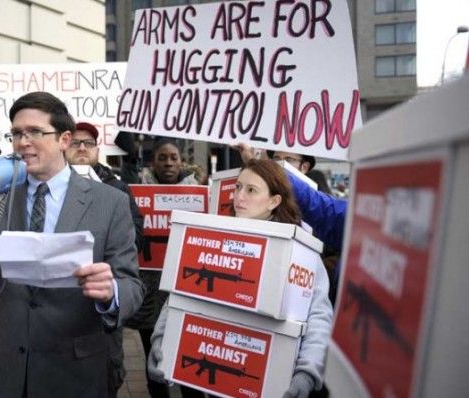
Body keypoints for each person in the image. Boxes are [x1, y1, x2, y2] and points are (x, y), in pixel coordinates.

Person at [0, 92, 144, 398]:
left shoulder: (111, 203)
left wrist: (111, 293)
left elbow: (132, 286)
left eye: (34, 132)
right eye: (16, 133)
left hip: (73, 372)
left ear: (64, 140)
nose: (22, 142)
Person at [147, 159, 333, 398]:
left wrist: (308, 372)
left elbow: (318, 315)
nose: (239, 196)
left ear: (274, 201)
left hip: (273, 381)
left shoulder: (300, 251)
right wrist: (161, 340)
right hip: (220, 380)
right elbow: (180, 294)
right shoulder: (213, 235)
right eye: (237, 187)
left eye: (251, 190)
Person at [65, 121, 145, 397]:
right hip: (61, 306)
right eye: (76, 143)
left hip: (101, 307)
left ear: (98, 149)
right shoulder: (49, 187)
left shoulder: (118, 189)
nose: (82, 148)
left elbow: (137, 240)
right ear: (64, 146)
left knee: (105, 378)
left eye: (88, 143)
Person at [131, 138, 204, 398]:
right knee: (154, 360)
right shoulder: (135, 193)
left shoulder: (201, 193)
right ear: (153, 162)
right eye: (162, 158)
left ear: (181, 161)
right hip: (150, 291)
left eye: (173, 157)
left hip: (186, 290)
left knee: (190, 358)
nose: (169, 163)